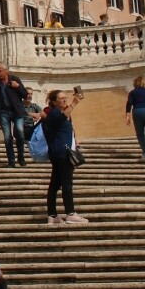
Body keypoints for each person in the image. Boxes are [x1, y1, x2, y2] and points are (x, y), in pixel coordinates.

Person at [41, 90, 86, 227]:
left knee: (55, 184)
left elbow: (67, 128)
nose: (64, 100)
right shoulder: (54, 113)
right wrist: (74, 103)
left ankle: (52, 215)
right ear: (54, 102)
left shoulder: (60, 114)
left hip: (60, 151)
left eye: (65, 98)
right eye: (61, 98)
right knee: (67, 183)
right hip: (61, 152)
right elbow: (62, 118)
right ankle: (70, 213)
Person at [0, 65, 29, 168]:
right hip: (3, 112)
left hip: (17, 111)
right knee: (7, 137)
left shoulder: (15, 79)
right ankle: (11, 160)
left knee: (20, 132)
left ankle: (21, 156)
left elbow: (25, 95)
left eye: (0, 71)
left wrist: (18, 87)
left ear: (5, 70)